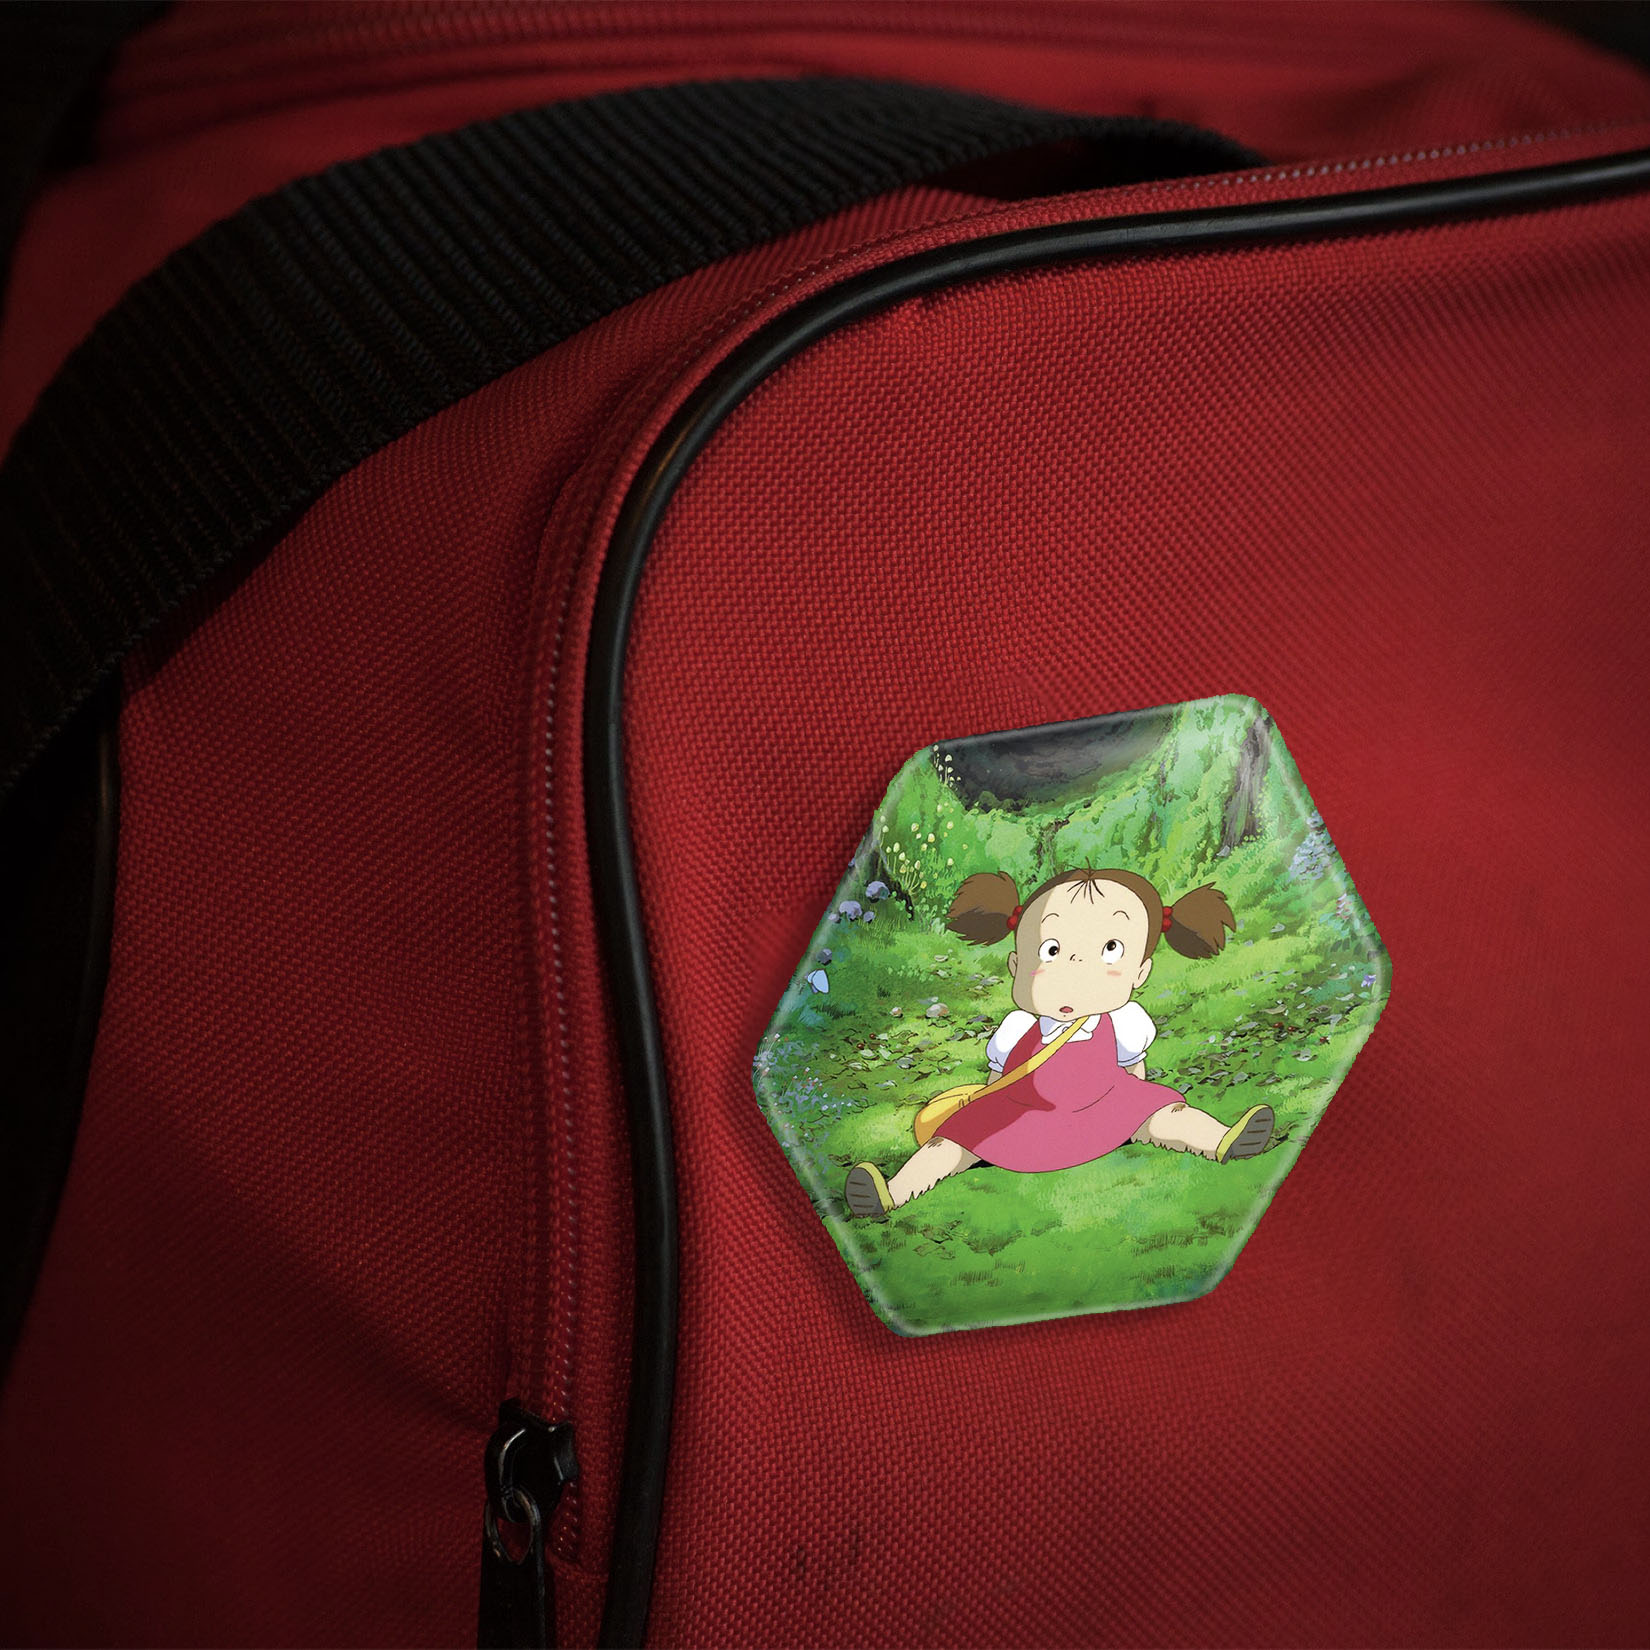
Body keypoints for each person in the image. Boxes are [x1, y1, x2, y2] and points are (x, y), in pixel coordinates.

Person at [843, 866, 1274, 1219]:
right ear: (1016, 965)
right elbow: (997, 1083)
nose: (1074, 969)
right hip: (1024, 1115)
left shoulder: (1124, 1021)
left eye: (1109, 949)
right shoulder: (1016, 1027)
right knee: (951, 1143)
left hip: (1104, 1103)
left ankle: (1221, 1140)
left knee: (1166, 1113)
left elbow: (1134, 1071)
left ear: (1140, 973)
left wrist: (1138, 1103)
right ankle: (891, 1194)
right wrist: (979, 1115)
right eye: (1051, 951)